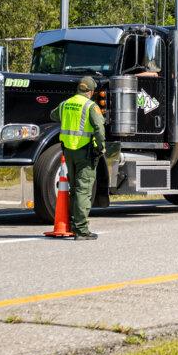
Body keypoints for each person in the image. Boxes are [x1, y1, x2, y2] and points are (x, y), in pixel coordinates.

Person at [50, 76, 106, 240]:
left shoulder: (65, 104)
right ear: (91, 91)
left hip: (68, 151)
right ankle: (81, 230)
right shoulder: (90, 106)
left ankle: (75, 226)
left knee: (74, 189)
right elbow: (99, 129)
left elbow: (53, 115)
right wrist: (101, 147)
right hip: (84, 152)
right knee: (83, 190)